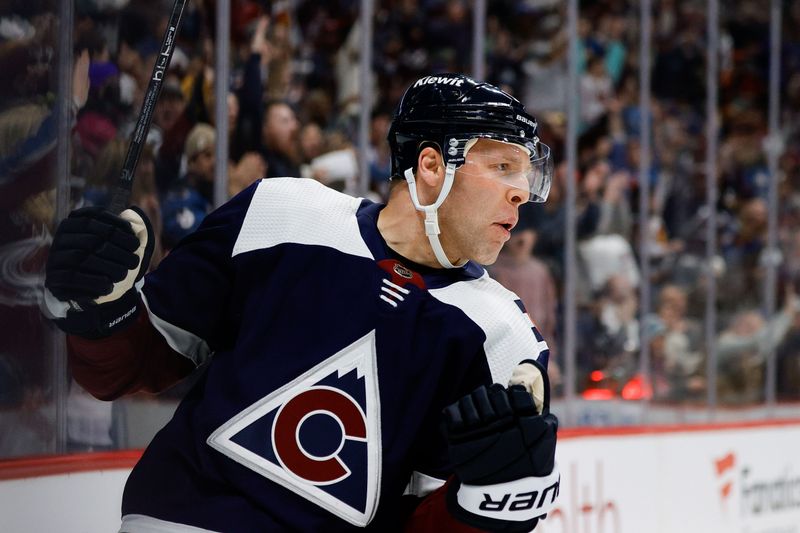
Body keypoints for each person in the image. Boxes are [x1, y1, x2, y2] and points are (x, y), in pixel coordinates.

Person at [42, 74, 559, 532]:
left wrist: (487, 509)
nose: (522, 193)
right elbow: (124, 369)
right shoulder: (279, 214)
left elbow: (428, 521)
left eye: (526, 174)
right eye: (503, 166)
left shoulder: (504, 338)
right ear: (430, 165)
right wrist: (98, 310)